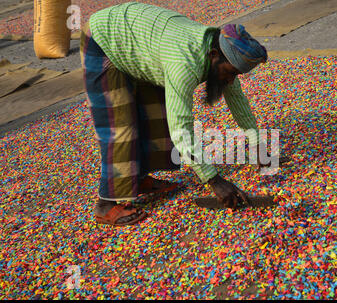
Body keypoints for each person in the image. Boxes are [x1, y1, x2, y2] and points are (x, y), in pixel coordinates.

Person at [80, 2, 268, 226]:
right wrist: (214, 180)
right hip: (103, 38)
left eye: (235, 75)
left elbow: (237, 100)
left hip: (138, 41)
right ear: (214, 55)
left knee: (155, 112)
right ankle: (105, 205)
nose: (230, 80)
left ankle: (137, 180)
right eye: (230, 74)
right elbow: (181, 129)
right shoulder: (184, 63)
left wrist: (259, 146)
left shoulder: (220, 54)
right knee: (119, 124)